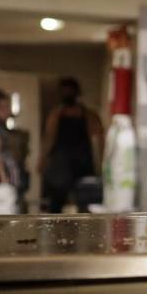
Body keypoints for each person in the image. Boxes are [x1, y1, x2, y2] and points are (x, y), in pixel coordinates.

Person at [40, 77, 104, 213]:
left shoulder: (88, 115)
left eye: (69, 90)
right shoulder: (56, 115)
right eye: (64, 91)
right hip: (61, 166)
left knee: (86, 206)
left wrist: (102, 164)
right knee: (56, 206)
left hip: (82, 165)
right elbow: (49, 139)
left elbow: (99, 138)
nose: (67, 94)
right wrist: (42, 160)